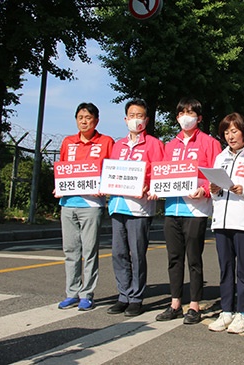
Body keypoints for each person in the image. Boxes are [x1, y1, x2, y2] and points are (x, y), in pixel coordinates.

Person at [155, 97, 222, 325]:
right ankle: (175, 303)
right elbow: (162, 174)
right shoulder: (170, 145)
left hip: (196, 210)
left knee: (194, 258)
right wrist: (156, 187)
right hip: (172, 208)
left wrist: (204, 190)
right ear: (177, 117)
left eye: (191, 112)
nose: (186, 116)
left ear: (199, 118)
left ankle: (194, 304)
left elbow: (216, 175)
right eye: (182, 112)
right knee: (174, 258)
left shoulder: (210, 143)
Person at [207, 113, 244, 334]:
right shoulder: (220, 158)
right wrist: (214, 190)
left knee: (243, 268)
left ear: (243, 131)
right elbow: (215, 191)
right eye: (226, 132)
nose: (230, 136)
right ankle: (226, 311)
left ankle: (242, 314)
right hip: (221, 220)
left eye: (234, 131)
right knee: (225, 268)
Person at [106, 99, 165, 317]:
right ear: (125, 119)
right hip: (118, 205)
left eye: (140, 115)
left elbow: (159, 174)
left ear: (147, 120)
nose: (135, 119)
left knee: (137, 253)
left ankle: (136, 297)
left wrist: (149, 185)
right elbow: (111, 172)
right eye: (132, 115)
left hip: (139, 208)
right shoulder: (118, 145)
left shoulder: (154, 144)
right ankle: (123, 294)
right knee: (118, 253)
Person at [57, 102, 114, 311]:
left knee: (89, 251)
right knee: (70, 250)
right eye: (80, 117)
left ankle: (87, 294)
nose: (84, 121)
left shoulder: (106, 142)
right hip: (68, 203)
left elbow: (111, 170)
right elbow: (62, 170)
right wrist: (59, 188)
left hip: (92, 204)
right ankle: (71, 292)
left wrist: (106, 187)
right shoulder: (68, 142)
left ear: (96, 120)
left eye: (88, 117)